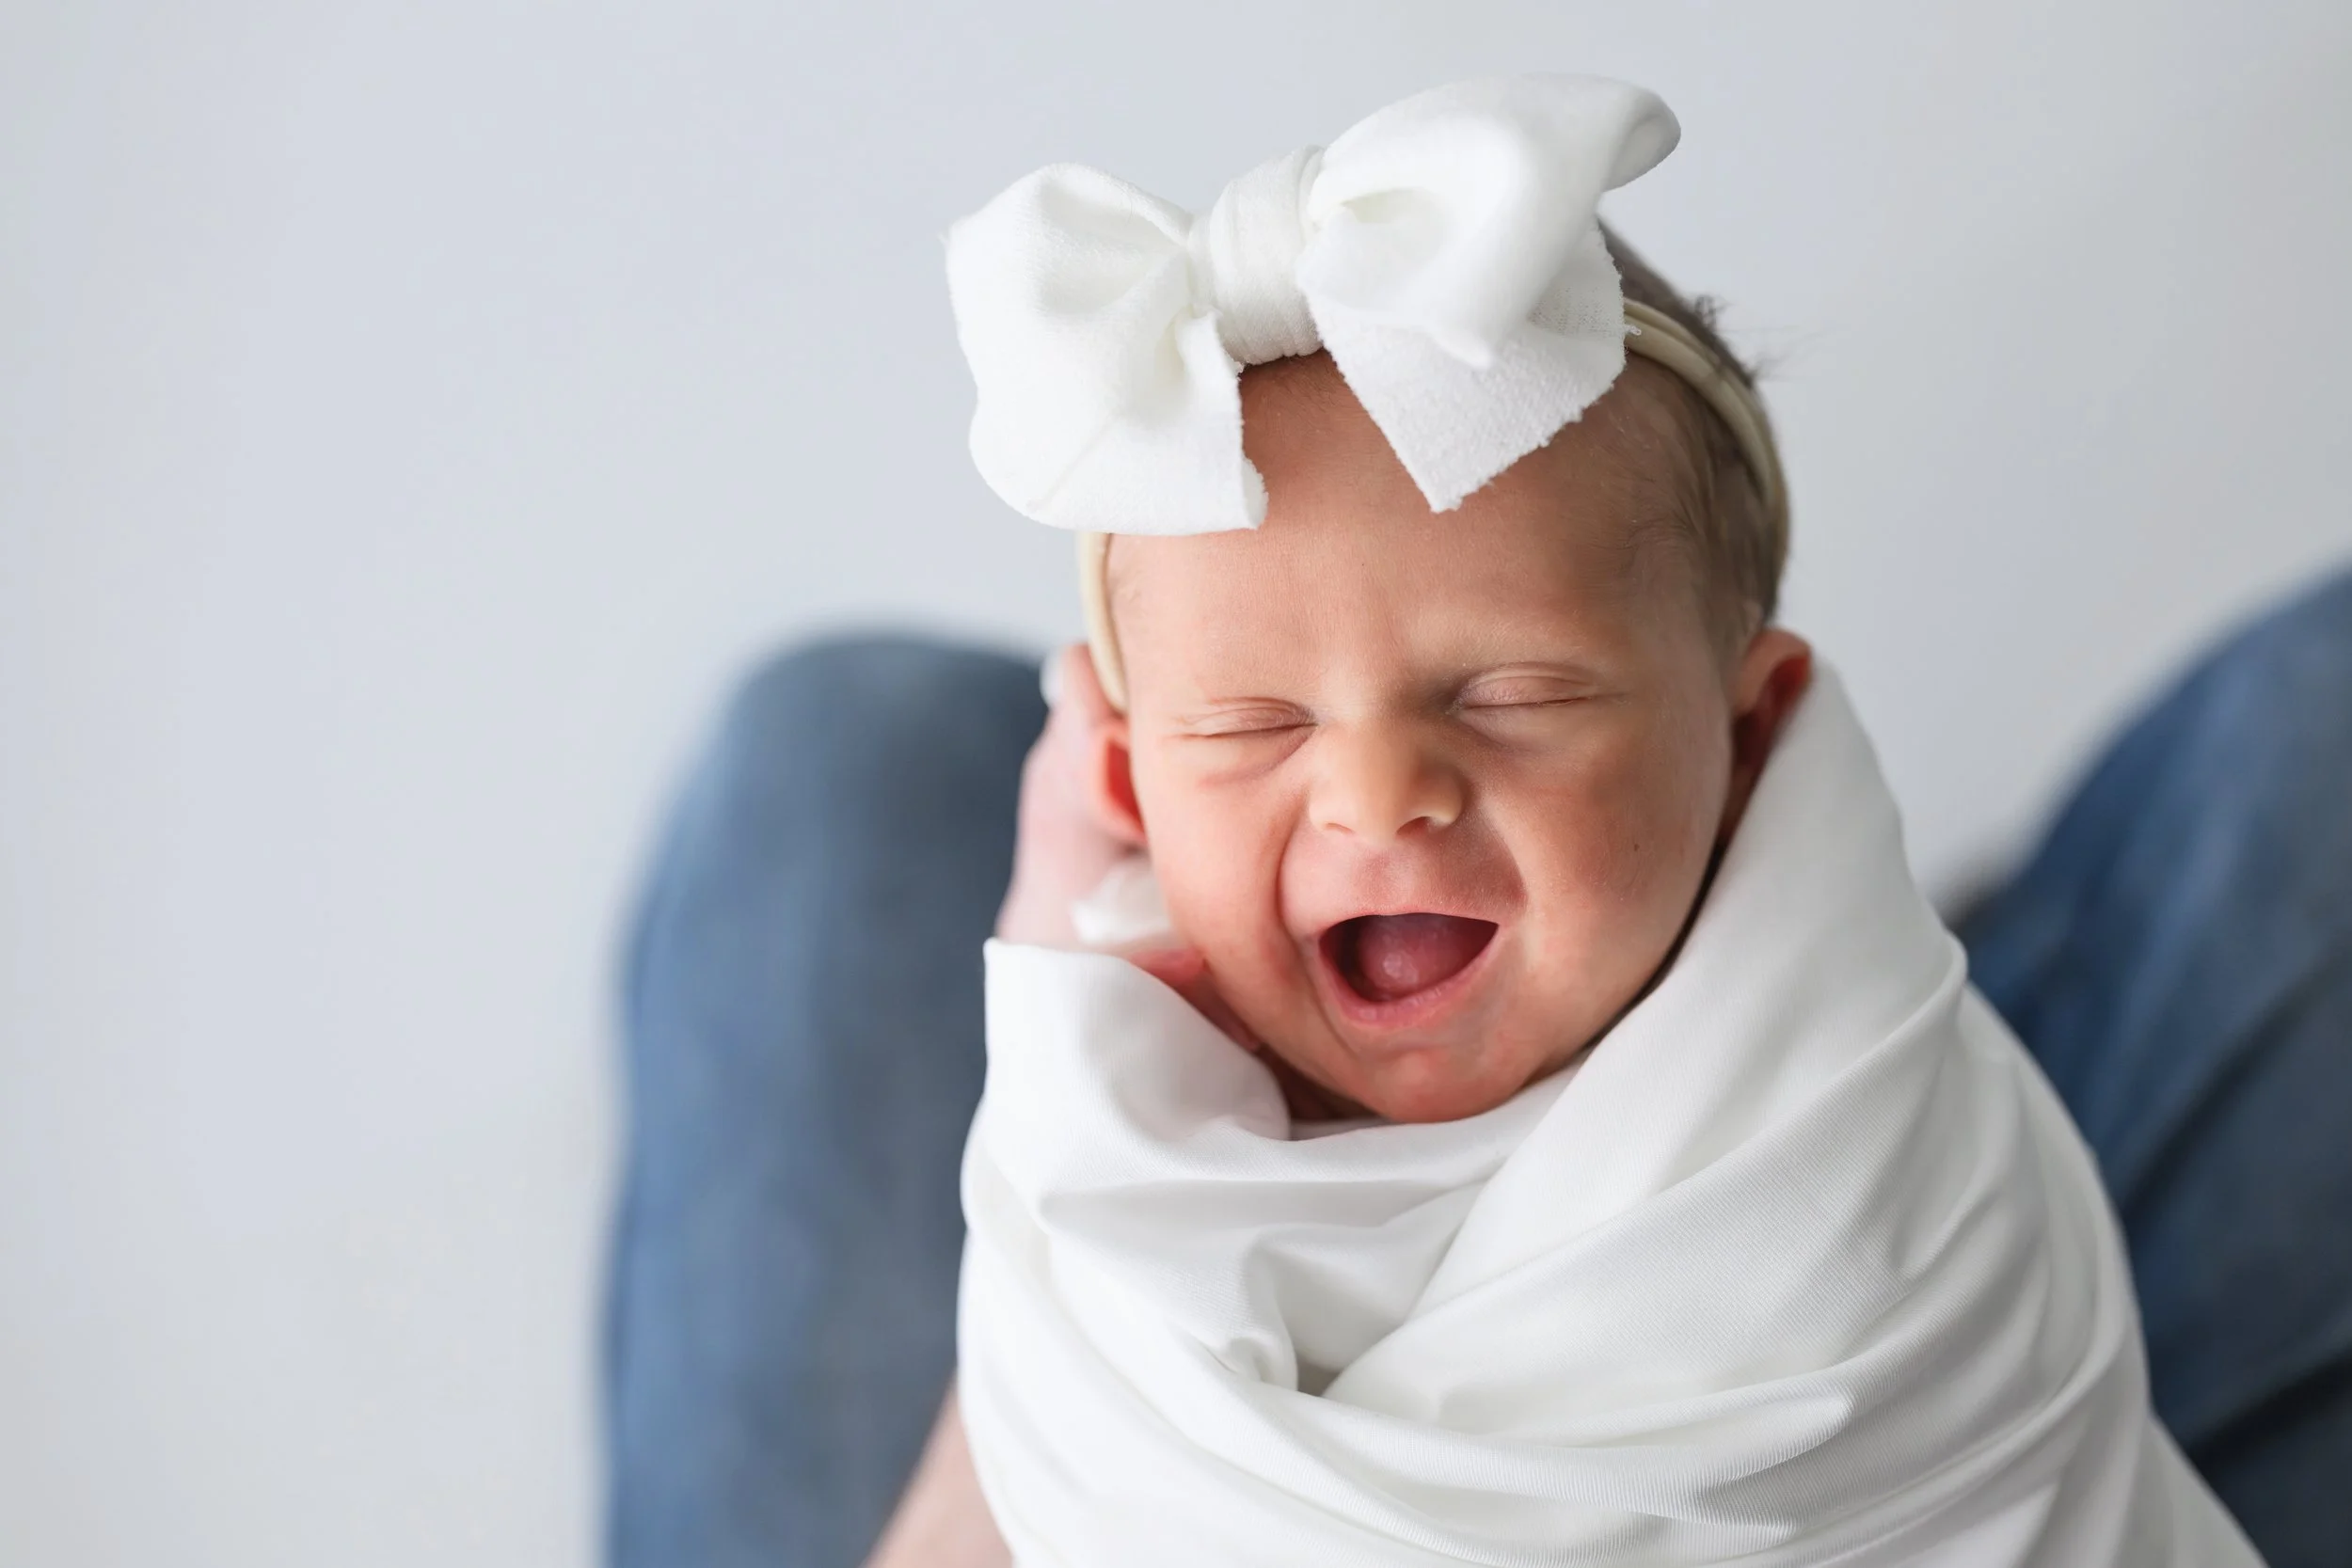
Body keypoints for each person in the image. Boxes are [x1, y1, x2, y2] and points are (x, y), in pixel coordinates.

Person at [606, 74, 2341, 1568]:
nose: (1374, 791)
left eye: (1509, 693)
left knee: (849, 745)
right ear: (1130, 792)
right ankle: (2031, 934)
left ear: (1757, 738)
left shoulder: (1895, 1161)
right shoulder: (1137, 1164)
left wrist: (1059, 1145)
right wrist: (1073, 1125)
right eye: (1251, 723)